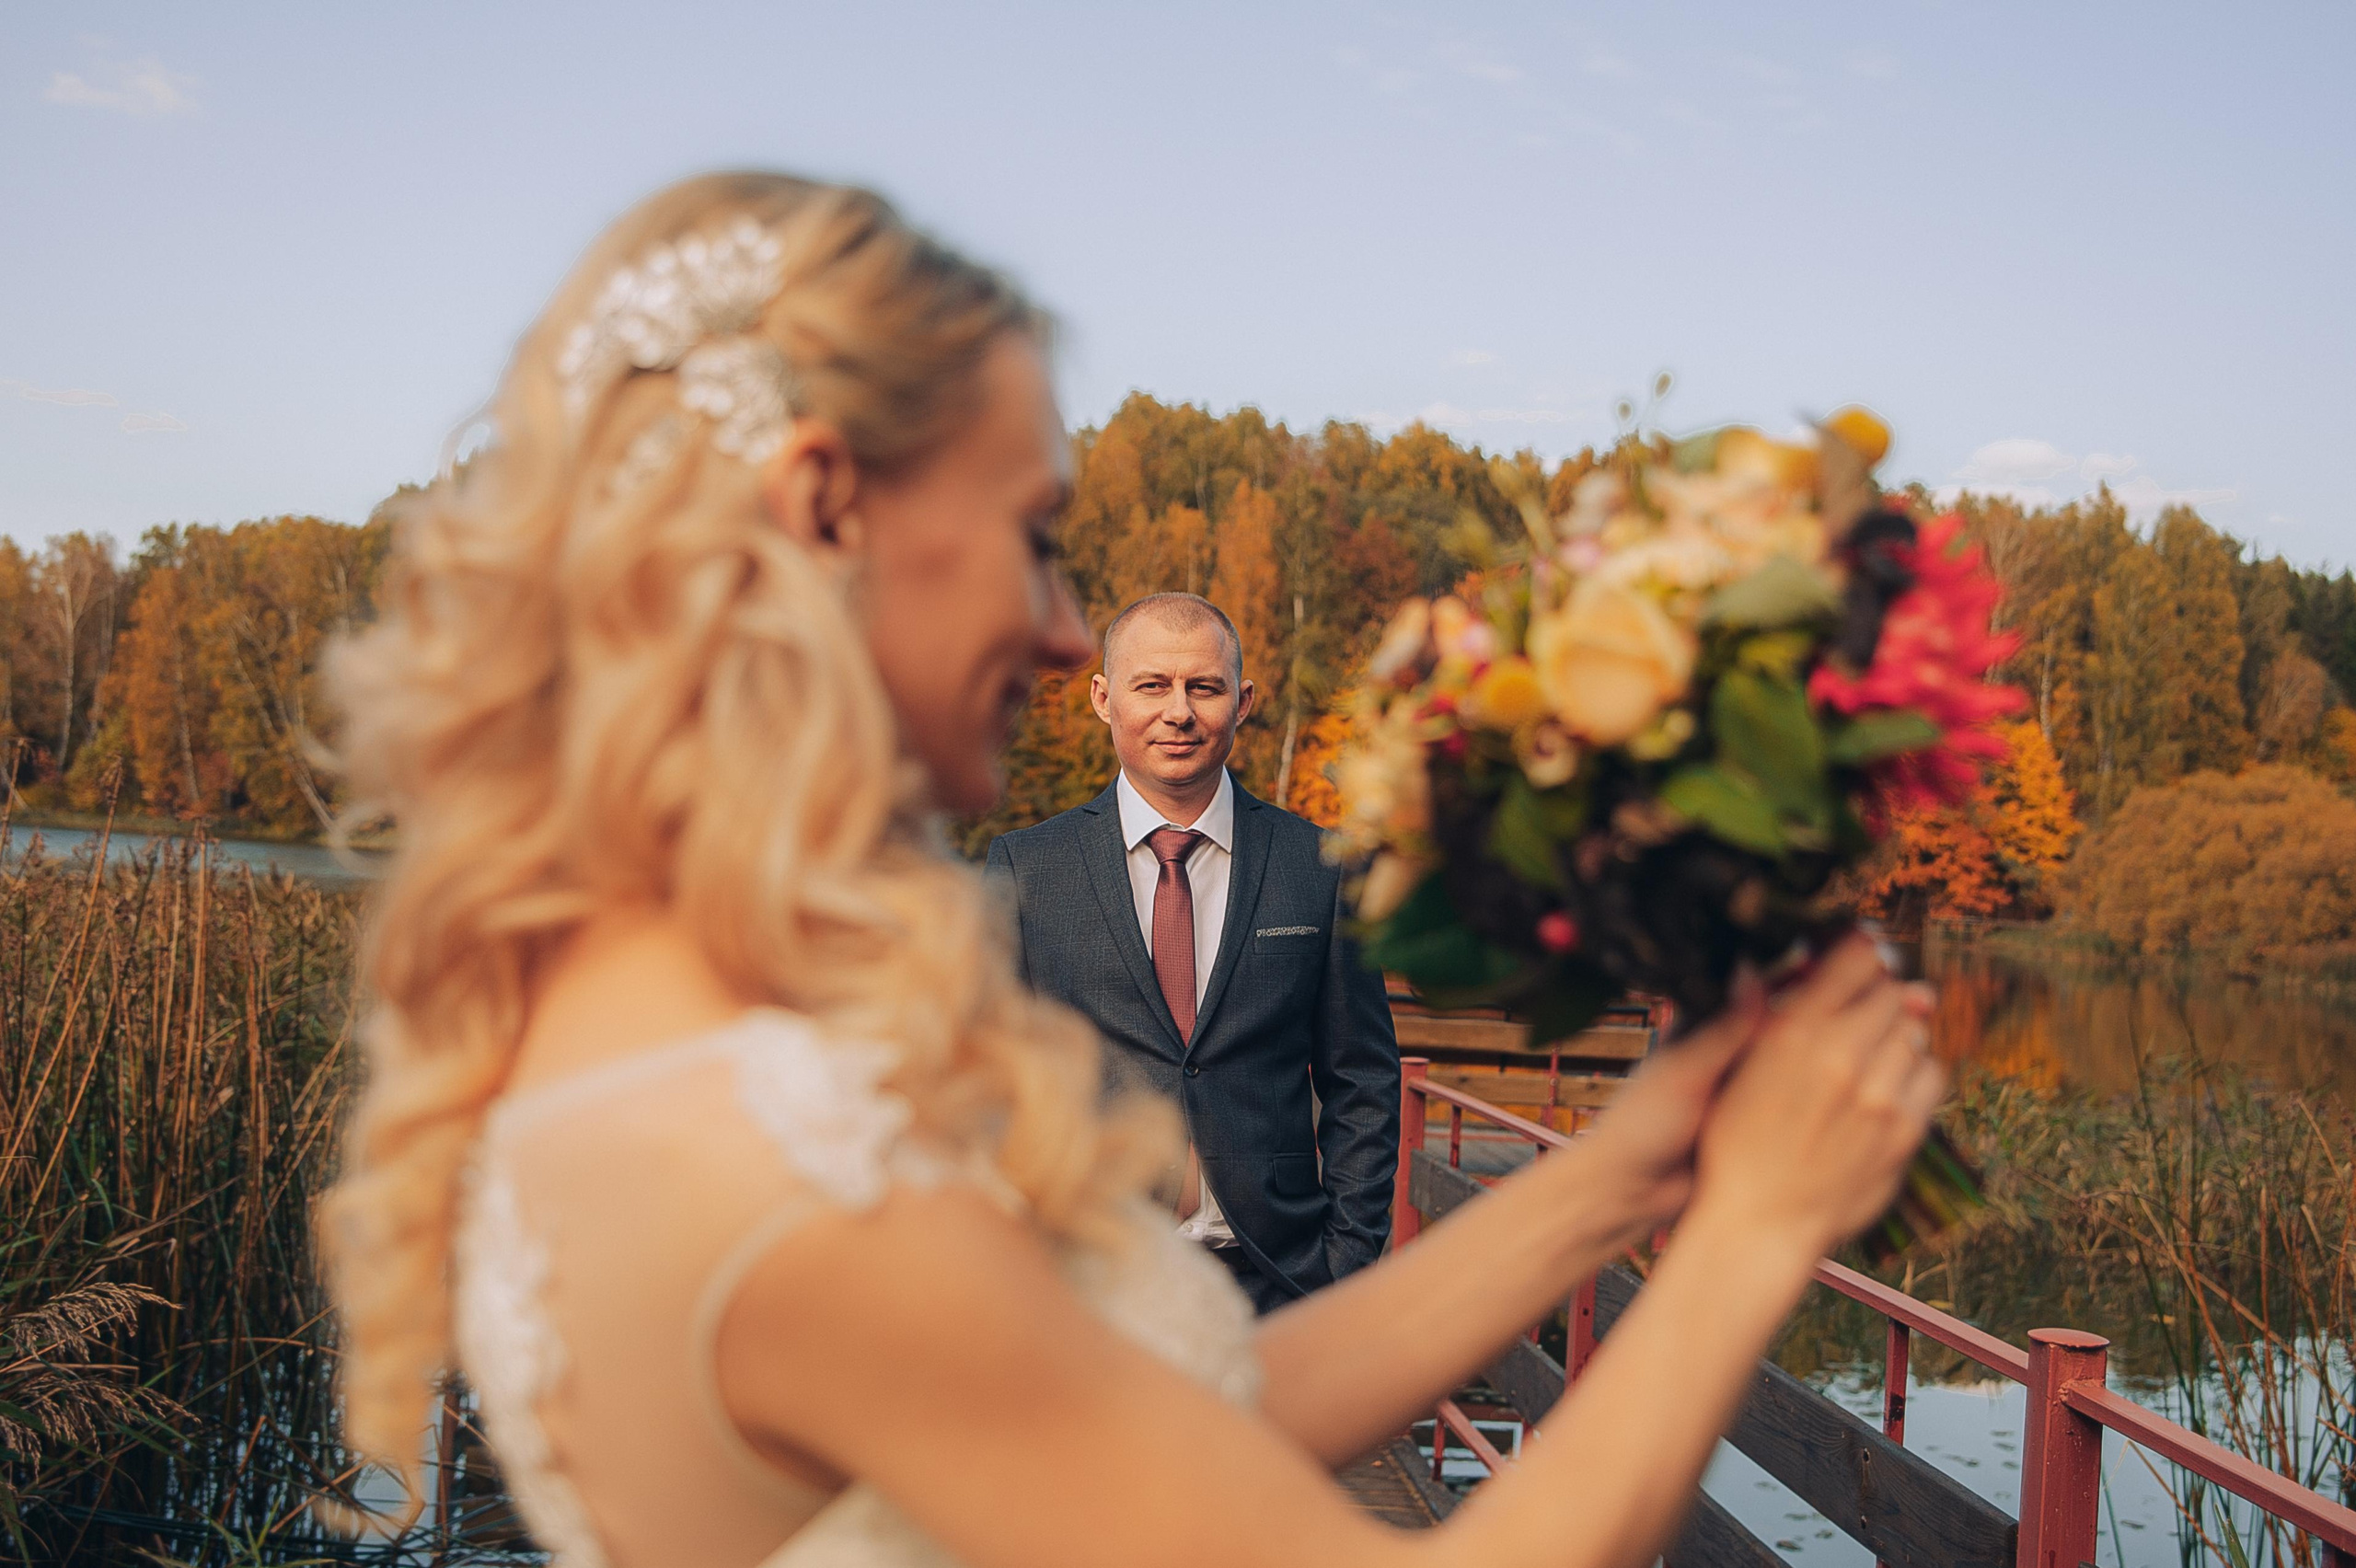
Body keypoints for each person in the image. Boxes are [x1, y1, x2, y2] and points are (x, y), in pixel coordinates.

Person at [320, 170, 1945, 1568]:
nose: (1054, 628)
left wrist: (1622, 1172)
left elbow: (1177, 1417)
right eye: (1033, 527)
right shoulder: (777, 1165)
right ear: (825, 502)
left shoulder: (678, 1026)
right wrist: (1755, 1227)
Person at [984, 593, 1398, 1313]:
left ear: (1243, 702)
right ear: (1104, 699)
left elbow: (1360, 1076)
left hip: (1277, 1279)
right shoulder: (1028, 868)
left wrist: (1347, 1257)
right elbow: (987, 1077)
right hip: (1086, 1281)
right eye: (1153, 686)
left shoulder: (1320, 865)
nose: (1179, 712)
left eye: (1203, 687)